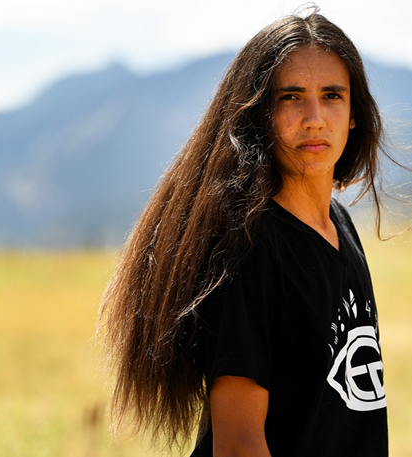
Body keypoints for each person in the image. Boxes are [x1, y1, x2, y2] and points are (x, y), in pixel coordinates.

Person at [99, 9, 389, 457]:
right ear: (260, 114)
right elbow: (238, 445)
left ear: (354, 114)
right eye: (291, 97)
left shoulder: (340, 226)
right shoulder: (248, 247)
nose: (314, 118)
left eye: (332, 95)